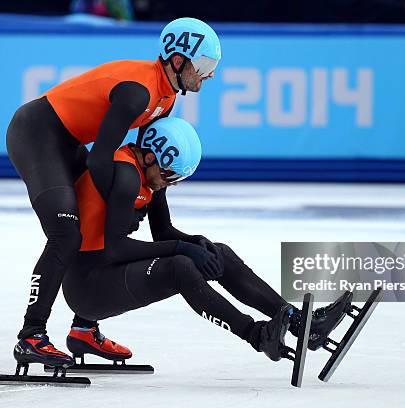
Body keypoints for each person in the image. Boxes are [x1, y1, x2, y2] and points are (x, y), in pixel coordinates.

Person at [6, 17, 221, 368]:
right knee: (66, 232)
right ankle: (30, 336)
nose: (209, 75)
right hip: (37, 134)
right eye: (205, 66)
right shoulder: (139, 92)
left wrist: (142, 208)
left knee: (106, 217)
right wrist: (124, 202)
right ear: (178, 61)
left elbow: (141, 163)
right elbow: (100, 161)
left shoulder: (165, 100)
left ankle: (84, 329)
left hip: (69, 139)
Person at [59, 118, 352, 364]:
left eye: (175, 180)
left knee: (216, 253)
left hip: (107, 270)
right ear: (150, 157)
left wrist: (194, 241)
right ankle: (258, 336)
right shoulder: (125, 175)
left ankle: (302, 324)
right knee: (180, 267)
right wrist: (181, 248)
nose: (167, 184)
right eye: (167, 176)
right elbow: (116, 248)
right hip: (88, 287)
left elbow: (162, 233)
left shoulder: (151, 171)